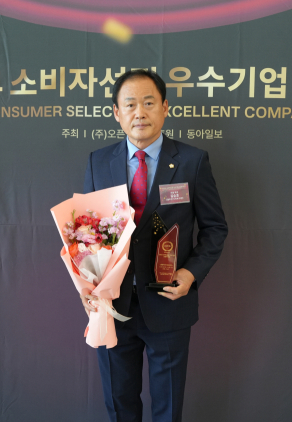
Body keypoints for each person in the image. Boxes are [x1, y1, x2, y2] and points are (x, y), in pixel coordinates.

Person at [82, 69, 228, 422]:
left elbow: (215, 228)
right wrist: (88, 282)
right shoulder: (98, 161)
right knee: (120, 405)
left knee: (168, 407)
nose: (139, 113)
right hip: (113, 306)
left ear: (165, 108)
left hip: (168, 303)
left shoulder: (192, 161)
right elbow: (87, 233)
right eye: (130, 104)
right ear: (116, 113)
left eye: (148, 103)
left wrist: (191, 274)